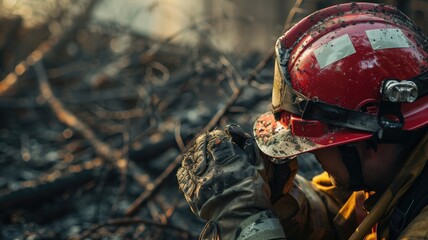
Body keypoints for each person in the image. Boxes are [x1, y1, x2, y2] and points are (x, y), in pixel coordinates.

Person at [176, 2, 428, 239]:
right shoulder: (395, 171)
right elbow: (337, 215)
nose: (315, 157)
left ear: (369, 145)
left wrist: (248, 225)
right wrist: (273, 194)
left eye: (318, 146)